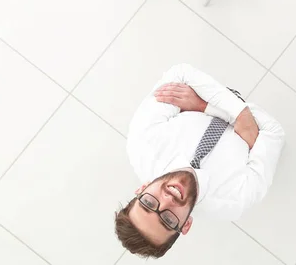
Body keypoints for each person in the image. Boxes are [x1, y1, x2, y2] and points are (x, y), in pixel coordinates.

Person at [115, 63, 285, 258]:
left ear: (141, 189)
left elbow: (180, 74)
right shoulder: (236, 199)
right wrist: (203, 105)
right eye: (168, 220)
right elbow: (273, 131)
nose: (167, 200)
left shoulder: (142, 143)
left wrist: (238, 120)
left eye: (148, 203)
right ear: (186, 225)